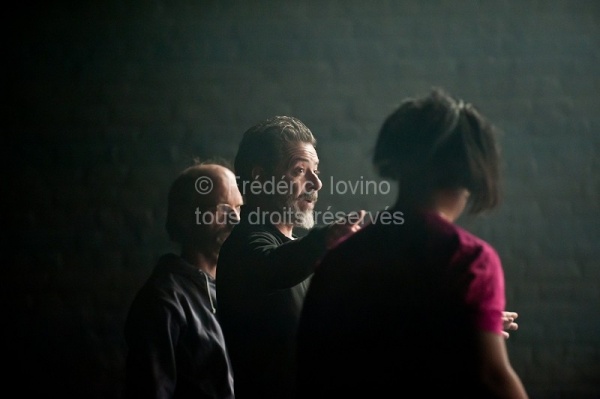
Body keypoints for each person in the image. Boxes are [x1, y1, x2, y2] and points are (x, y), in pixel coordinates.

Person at [296, 89, 529, 398]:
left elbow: (311, 367)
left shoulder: (340, 259)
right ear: (469, 170)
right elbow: (492, 378)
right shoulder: (468, 260)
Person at [216, 116, 365, 398]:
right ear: (259, 178)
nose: (316, 183)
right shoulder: (245, 248)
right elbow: (273, 268)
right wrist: (327, 238)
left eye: (316, 171)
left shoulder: (296, 253)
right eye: (299, 170)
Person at [124, 160, 243, 399]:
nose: (236, 220)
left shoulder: (235, 291)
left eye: (239, 208)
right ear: (185, 217)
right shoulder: (163, 301)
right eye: (222, 209)